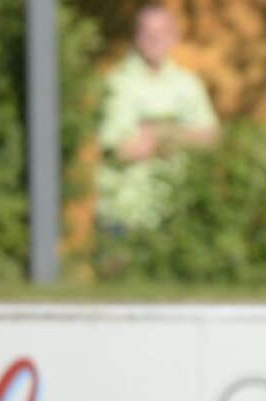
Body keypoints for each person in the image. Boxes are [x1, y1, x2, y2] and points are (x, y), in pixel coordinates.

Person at [95, 4, 219, 238]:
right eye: (148, 32)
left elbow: (211, 138)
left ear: (174, 37)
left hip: (177, 213)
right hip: (126, 214)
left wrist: (159, 133)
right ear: (136, 36)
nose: (155, 39)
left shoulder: (187, 83)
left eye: (162, 33)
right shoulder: (119, 83)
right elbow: (123, 149)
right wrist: (182, 134)